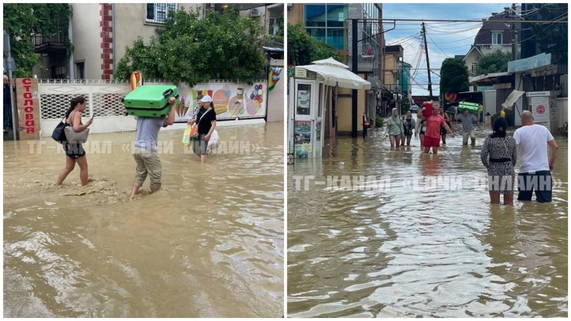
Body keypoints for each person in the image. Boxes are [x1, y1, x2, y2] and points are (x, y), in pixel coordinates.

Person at [130, 96, 177, 199]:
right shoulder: (156, 117)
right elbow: (170, 121)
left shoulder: (140, 115)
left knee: (140, 173)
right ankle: (154, 200)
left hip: (136, 148)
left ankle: (132, 196)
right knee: (156, 175)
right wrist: (173, 105)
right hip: (148, 150)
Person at [513, 111, 559, 203]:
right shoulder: (543, 129)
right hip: (543, 171)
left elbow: (511, 149)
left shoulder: (518, 132)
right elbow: (555, 147)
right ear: (533, 119)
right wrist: (551, 164)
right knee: (545, 204)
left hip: (525, 172)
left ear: (521, 121)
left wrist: (513, 164)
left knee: (524, 203)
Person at [56, 96, 94, 186]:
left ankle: (57, 184)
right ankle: (85, 187)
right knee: (84, 167)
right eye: (84, 104)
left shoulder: (71, 113)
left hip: (67, 143)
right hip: (74, 145)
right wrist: (87, 124)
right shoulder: (77, 113)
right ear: (78, 105)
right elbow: (76, 128)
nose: (85, 106)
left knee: (69, 167)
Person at [481, 118, 517, 205]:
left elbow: (483, 156)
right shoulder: (512, 140)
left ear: (494, 127)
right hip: (508, 169)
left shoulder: (489, 140)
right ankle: (508, 218)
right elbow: (515, 158)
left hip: (494, 169)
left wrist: (488, 166)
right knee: (508, 203)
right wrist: (510, 166)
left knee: (494, 203)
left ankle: (496, 218)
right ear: (506, 127)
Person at [188, 95, 217, 163]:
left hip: (205, 133)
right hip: (197, 132)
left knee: (202, 151)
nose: (203, 103)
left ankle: (204, 167)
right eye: (203, 101)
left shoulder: (211, 112)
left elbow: (213, 124)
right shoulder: (201, 108)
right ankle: (206, 161)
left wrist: (208, 135)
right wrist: (193, 121)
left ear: (209, 102)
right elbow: (198, 119)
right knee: (195, 150)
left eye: (204, 102)